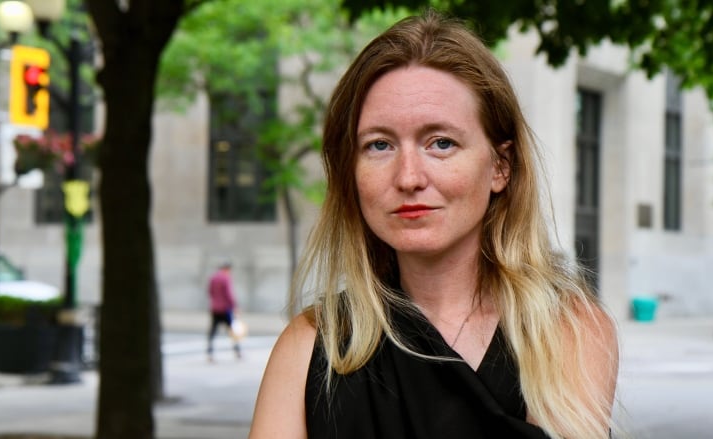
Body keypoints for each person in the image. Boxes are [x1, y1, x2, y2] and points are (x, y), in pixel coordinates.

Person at [250, 10, 619, 439]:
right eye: (379, 145)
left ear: (501, 166)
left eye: (441, 143)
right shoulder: (311, 346)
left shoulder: (567, 331)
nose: (408, 177)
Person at [207, 261, 242, 361]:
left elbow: (210, 291)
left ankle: (210, 352)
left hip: (215, 308)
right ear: (227, 269)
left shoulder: (213, 278)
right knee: (232, 330)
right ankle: (237, 351)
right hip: (225, 309)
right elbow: (229, 294)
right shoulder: (226, 278)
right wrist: (235, 306)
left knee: (213, 331)